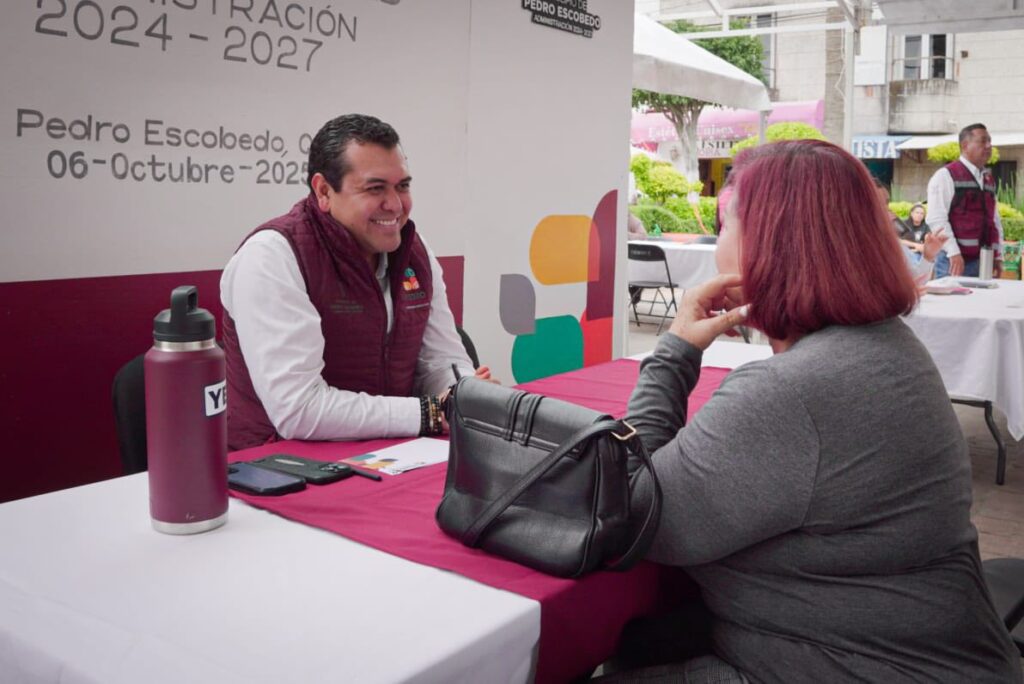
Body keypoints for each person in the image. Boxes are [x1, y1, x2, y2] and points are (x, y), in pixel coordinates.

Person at [615, 140, 1021, 682]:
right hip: (911, 648)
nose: (719, 245)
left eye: (726, 226)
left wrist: (674, 352)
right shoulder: (888, 345)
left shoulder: (790, 391)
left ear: (768, 246)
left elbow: (633, 512)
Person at [221, 114, 489, 451]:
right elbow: (299, 410)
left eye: (403, 186)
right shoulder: (270, 257)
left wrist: (465, 394)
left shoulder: (414, 252)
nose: (395, 205)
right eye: (375, 188)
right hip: (278, 469)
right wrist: (431, 413)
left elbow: (439, 360)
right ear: (323, 191)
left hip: (392, 454)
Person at [926, 123, 1003, 278]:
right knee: (953, 303)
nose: (989, 146)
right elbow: (936, 219)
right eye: (983, 141)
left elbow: (994, 219)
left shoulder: (988, 179)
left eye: (990, 141)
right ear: (965, 145)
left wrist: (998, 255)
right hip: (953, 262)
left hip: (983, 261)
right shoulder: (945, 175)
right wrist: (953, 252)